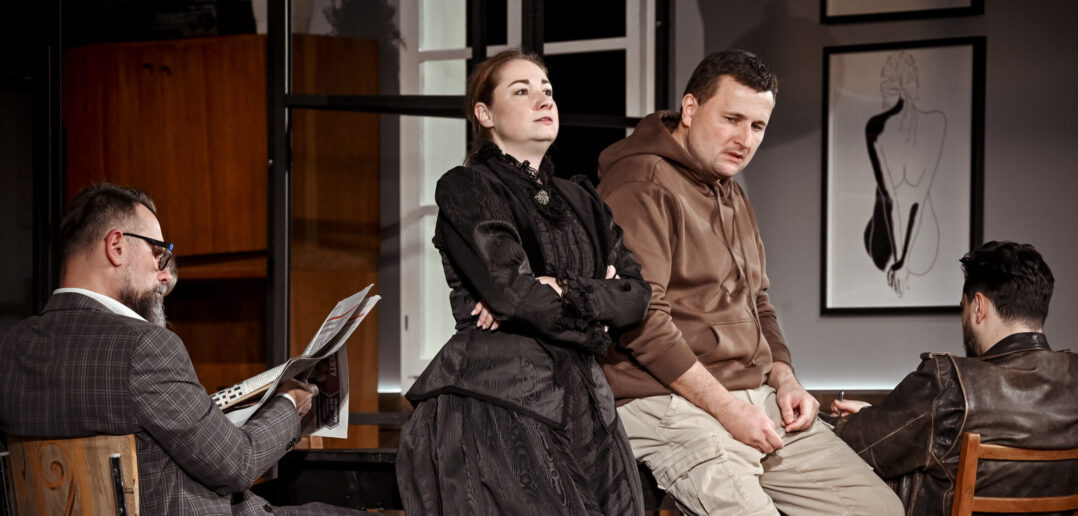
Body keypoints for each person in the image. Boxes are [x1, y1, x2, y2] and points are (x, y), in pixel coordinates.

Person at [595, 50, 903, 516]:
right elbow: (644, 322)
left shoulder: (731, 190)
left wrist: (784, 376)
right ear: (691, 108)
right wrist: (729, 410)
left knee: (878, 510)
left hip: (749, 394)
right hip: (663, 399)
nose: (744, 139)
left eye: (757, 126)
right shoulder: (642, 185)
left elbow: (758, 300)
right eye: (732, 118)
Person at [0, 183, 371, 516]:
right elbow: (237, 464)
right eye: (159, 254)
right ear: (116, 246)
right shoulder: (144, 347)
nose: (165, 275)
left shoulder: (12, 349)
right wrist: (291, 403)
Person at [395, 49, 651, 515]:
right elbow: (514, 294)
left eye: (547, 91)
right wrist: (596, 309)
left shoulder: (582, 199)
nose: (543, 100)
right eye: (522, 91)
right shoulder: (468, 187)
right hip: (498, 396)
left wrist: (562, 288)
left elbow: (636, 296)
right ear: (484, 113)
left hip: (588, 401)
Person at [831, 241, 1078, 514]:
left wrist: (863, 421)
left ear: (979, 307)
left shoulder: (949, 382)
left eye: (963, 307)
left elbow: (855, 443)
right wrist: (879, 416)